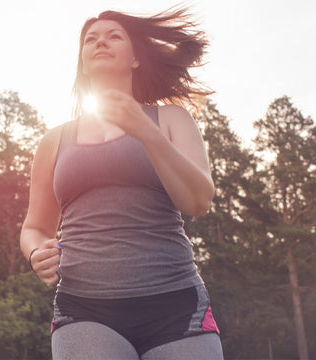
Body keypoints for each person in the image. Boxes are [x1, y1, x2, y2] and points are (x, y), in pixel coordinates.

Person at [20, 7, 224, 360]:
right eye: (91, 39)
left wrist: (146, 131)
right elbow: (35, 227)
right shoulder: (54, 140)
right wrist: (37, 251)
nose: (101, 41)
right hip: (85, 309)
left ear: (134, 59)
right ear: (83, 63)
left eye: (114, 36)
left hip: (175, 304)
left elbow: (198, 201)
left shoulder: (171, 118)